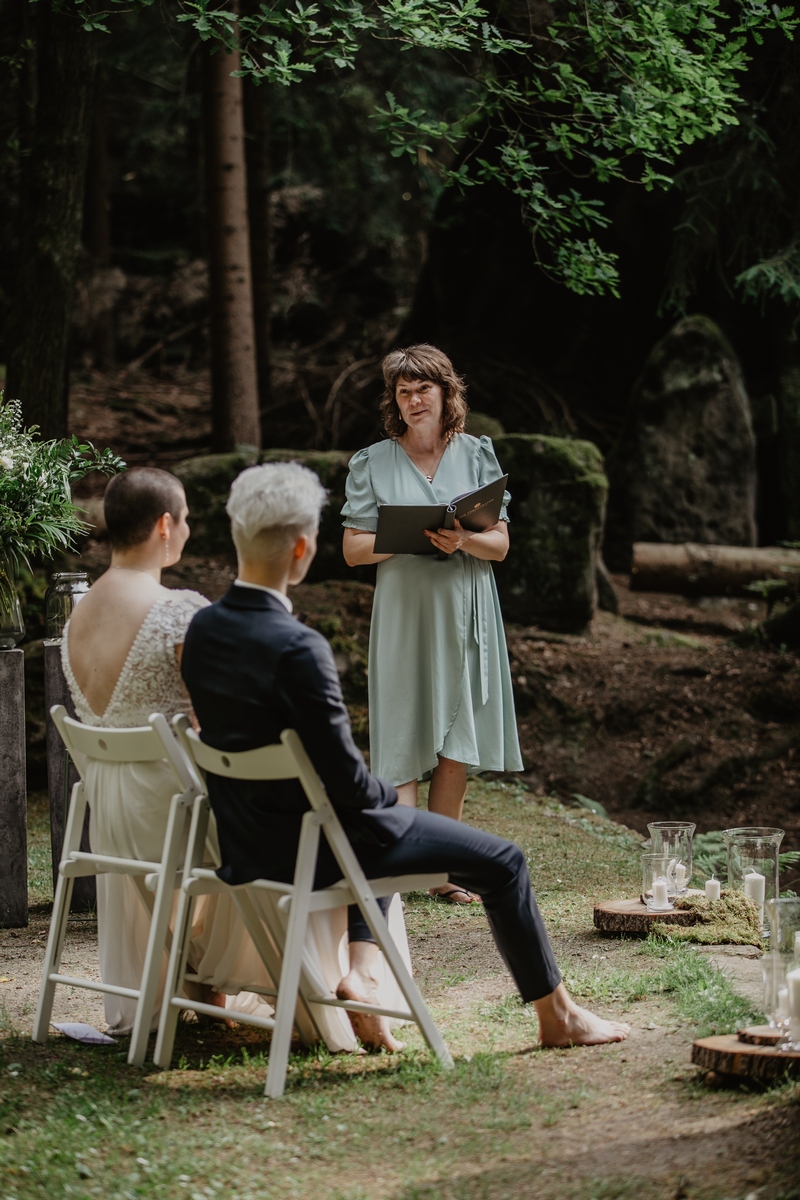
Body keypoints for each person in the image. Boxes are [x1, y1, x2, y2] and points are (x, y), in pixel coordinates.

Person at [181, 462, 631, 1050]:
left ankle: (365, 975)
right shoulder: (298, 647)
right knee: (504, 861)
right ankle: (559, 1018)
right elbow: (347, 785)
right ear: (302, 547)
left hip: (246, 842)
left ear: (238, 532)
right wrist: (385, 799)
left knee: (387, 824)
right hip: (320, 850)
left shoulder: (203, 630)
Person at [62, 466, 407, 1050]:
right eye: (190, 519)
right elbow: (215, 718)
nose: (191, 530)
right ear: (166, 525)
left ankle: (198, 982)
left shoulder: (78, 612)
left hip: (116, 821)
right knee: (326, 816)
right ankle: (352, 979)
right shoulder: (177, 611)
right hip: (182, 818)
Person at [341, 344, 521, 903]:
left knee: (455, 737)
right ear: (394, 400)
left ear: (446, 393)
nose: (414, 400)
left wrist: (462, 538)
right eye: (403, 391)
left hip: (466, 609)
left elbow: (501, 546)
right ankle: (403, 863)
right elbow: (352, 549)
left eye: (424, 389)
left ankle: (445, 868)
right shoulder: (372, 461)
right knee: (402, 726)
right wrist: (404, 540)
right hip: (404, 611)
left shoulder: (477, 453)